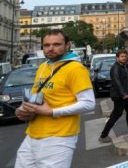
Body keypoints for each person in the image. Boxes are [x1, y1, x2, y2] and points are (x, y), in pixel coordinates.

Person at [14, 30, 95, 168]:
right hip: (32, 134)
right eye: (46, 45)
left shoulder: (75, 68)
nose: (51, 48)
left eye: (56, 44)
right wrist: (23, 110)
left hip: (59, 138)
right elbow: (37, 98)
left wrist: (52, 112)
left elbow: (89, 104)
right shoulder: (43, 67)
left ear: (67, 45)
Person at [99, 50, 128, 142]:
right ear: (117, 58)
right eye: (122, 56)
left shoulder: (124, 66)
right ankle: (103, 135)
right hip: (120, 95)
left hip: (127, 93)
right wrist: (123, 94)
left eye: (125, 56)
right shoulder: (115, 68)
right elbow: (117, 82)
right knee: (116, 115)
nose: (124, 58)